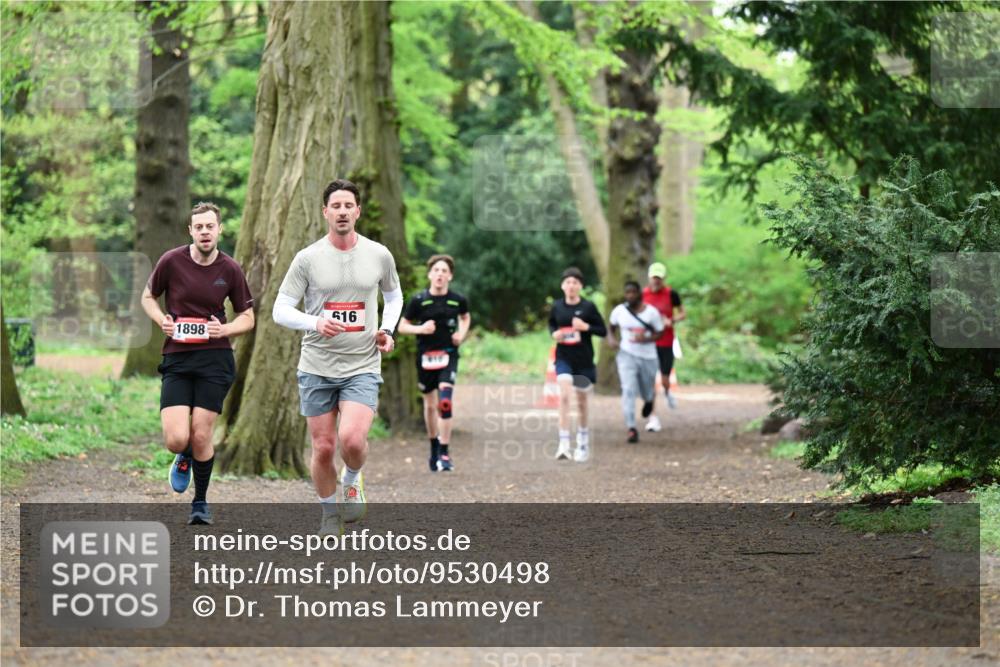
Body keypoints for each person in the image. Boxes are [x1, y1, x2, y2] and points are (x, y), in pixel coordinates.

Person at [272, 179, 402, 536]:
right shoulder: (307, 259)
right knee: (324, 447)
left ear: (357, 211)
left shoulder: (379, 254)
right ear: (325, 212)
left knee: (353, 441)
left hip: (361, 365)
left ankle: (354, 478)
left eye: (349, 205)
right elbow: (280, 310)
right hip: (316, 366)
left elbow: (393, 298)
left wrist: (388, 331)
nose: (342, 211)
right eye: (336, 206)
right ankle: (329, 514)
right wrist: (314, 321)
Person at [141, 202, 255, 526]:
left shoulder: (230, 269)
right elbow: (147, 296)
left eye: (210, 226)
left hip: (215, 359)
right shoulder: (171, 261)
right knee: (177, 438)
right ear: (190, 231)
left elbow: (248, 316)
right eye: (199, 227)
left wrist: (226, 328)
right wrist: (161, 319)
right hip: (177, 357)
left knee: (202, 434)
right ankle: (184, 454)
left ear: (220, 230)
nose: (205, 232)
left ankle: (200, 503)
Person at [398, 255, 471, 473]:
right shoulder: (419, 300)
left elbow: (466, 317)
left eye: (444, 271)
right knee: (430, 406)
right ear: (430, 274)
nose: (440, 274)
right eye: (436, 270)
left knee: (445, 402)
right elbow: (402, 326)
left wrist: (461, 334)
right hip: (425, 357)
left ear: (450, 275)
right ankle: (434, 447)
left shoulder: (458, 300)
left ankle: (445, 453)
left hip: (449, 355)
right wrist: (420, 329)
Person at [548, 267, 606, 462]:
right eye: (568, 282)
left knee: (581, 402)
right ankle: (563, 444)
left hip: (584, 362)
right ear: (562, 286)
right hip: (564, 358)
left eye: (575, 282)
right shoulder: (557, 307)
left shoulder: (589, 307)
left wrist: (586, 327)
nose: (571, 286)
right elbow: (552, 325)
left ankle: (582, 442)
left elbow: (603, 330)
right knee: (564, 395)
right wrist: (554, 334)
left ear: (580, 286)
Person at [608, 281, 664, 443]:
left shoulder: (651, 313)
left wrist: (646, 338)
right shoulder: (619, 311)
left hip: (648, 357)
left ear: (640, 293)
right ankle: (631, 427)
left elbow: (660, 333)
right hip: (626, 355)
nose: (630, 296)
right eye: (627, 293)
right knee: (628, 389)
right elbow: (611, 327)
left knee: (647, 389)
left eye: (633, 292)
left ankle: (648, 400)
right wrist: (611, 340)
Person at [642, 262, 686, 429]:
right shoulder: (642, 295)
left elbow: (683, 313)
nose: (656, 281)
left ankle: (667, 392)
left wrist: (672, 320)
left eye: (659, 278)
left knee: (665, 379)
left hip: (666, 342)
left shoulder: (671, 294)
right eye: (654, 277)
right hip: (648, 343)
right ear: (649, 277)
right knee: (650, 381)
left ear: (663, 279)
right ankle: (653, 418)